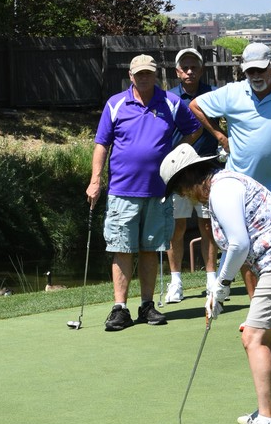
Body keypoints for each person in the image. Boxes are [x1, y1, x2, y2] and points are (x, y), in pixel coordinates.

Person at [160, 143, 271, 424]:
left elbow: (239, 244)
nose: (182, 196)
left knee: (253, 338)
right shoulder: (223, 186)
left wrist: (221, 285)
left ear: (190, 178)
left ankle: (267, 422)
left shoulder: (222, 190)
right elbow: (237, 246)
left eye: (179, 189)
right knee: (264, 336)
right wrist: (218, 287)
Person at [189, 42, 271, 303]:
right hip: (238, 190)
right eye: (250, 71)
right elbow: (196, 105)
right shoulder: (232, 93)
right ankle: (257, 307)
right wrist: (220, 136)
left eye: (261, 70)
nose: (256, 76)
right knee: (245, 252)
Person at [86, 54, 202, 331]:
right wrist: (95, 180)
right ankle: (120, 308)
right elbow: (102, 144)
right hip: (122, 190)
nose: (144, 78)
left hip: (158, 190)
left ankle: (147, 305)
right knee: (122, 248)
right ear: (131, 76)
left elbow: (194, 129)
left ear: (155, 75)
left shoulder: (171, 103)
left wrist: (177, 153)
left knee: (151, 249)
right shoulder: (115, 104)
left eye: (148, 73)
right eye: (139, 74)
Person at [165, 48, 220, 303]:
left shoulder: (213, 95)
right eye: (184, 68)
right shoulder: (168, 98)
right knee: (176, 227)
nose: (189, 71)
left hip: (208, 169)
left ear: (201, 69)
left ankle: (211, 280)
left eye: (194, 67)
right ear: (177, 71)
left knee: (207, 225)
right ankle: (176, 282)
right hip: (179, 171)